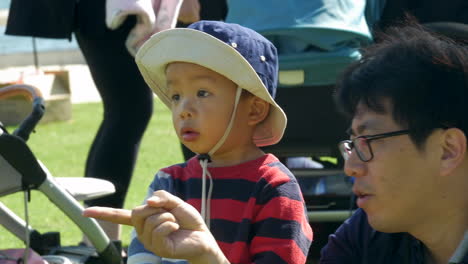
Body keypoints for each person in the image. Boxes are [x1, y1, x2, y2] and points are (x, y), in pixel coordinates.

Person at [84, 20, 313, 264]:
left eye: (202, 93)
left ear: (254, 110)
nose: (183, 110)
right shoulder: (169, 183)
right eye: (176, 96)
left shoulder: (275, 189)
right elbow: (143, 254)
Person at [5, 0, 226, 244]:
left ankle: (99, 240)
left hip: (103, 10)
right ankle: (101, 240)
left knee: (132, 111)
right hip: (115, 9)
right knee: (138, 111)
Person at [319, 22, 468, 263]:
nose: (351, 168)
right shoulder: (367, 236)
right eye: (353, 144)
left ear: (447, 151)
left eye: (369, 141)